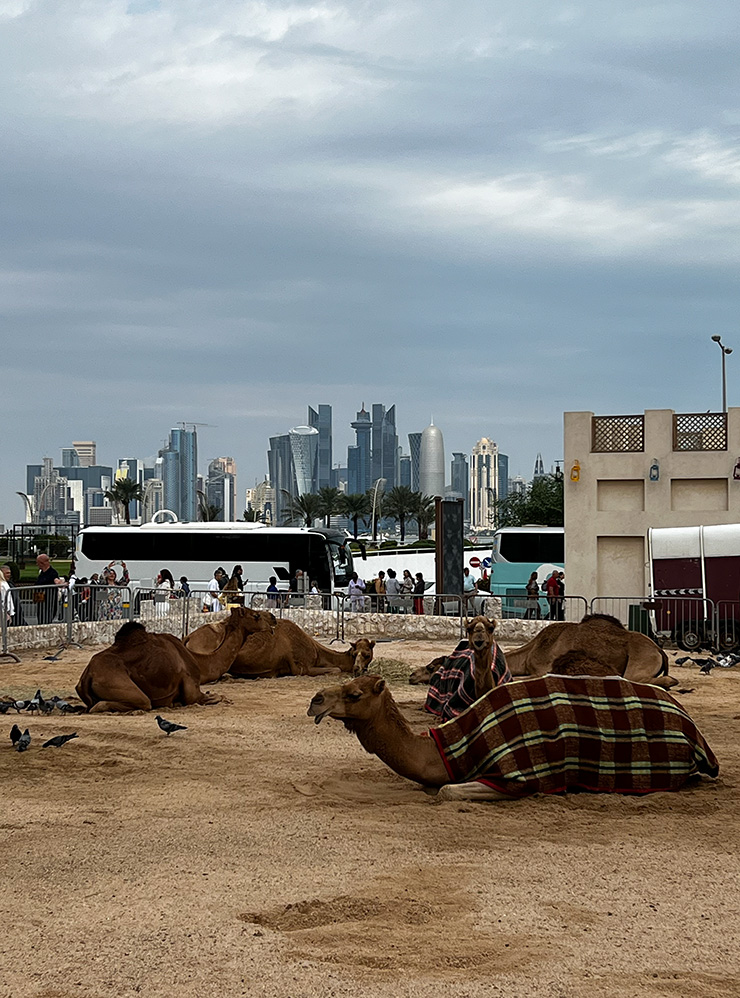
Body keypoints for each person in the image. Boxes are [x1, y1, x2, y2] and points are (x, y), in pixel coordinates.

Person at [35, 553, 60, 625]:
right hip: (41, 601)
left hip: (49, 602)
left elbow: (56, 580)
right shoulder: (41, 573)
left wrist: (60, 583)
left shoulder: (53, 573)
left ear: (42, 563)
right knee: (40, 619)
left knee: (46, 620)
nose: (37, 564)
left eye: (38, 562)